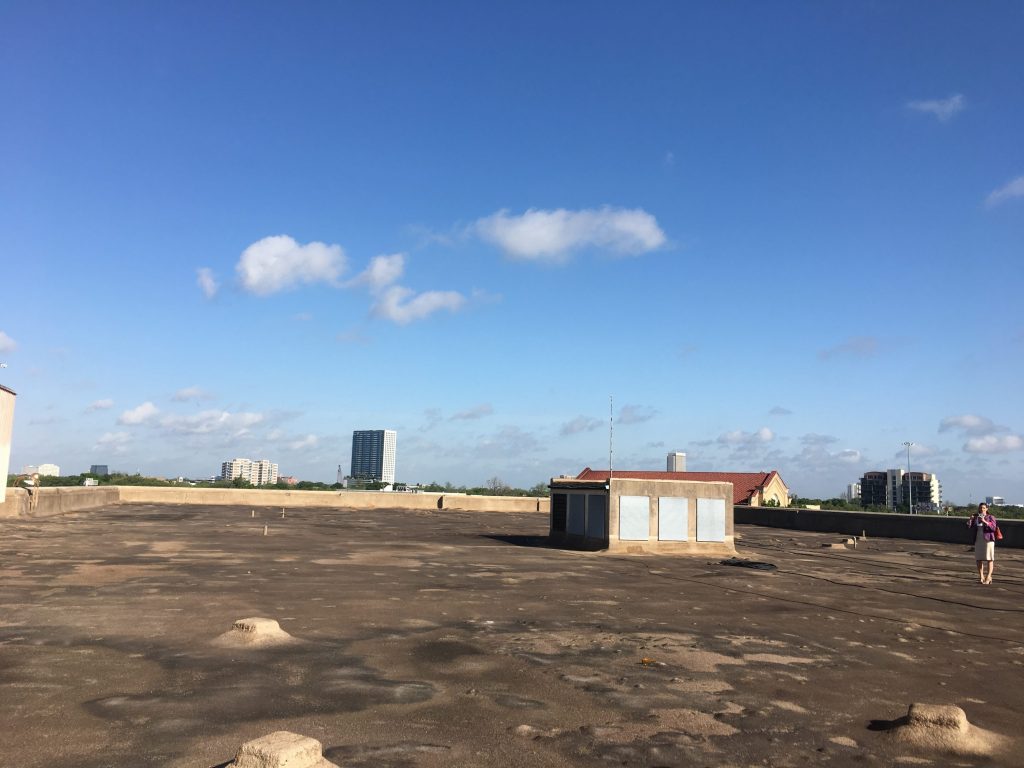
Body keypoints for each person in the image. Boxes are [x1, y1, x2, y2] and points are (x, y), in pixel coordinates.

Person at [968, 502, 997, 584]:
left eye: (984, 508)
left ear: (987, 509)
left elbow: (993, 528)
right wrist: (970, 519)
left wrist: (985, 521)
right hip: (978, 539)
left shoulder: (991, 517)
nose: (982, 509)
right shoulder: (976, 517)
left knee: (989, 558)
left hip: (988, 540)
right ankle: (981, 576)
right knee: (978, 558)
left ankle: (988, 577)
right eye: (980, 508)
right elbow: (969, 526)